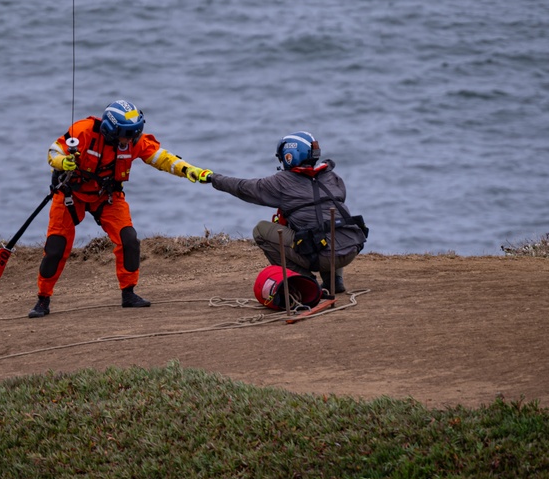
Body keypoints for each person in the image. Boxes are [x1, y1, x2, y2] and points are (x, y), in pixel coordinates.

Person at [28, 99, 213, 318]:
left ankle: (129, 293)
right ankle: (43, 298)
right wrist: (62, 162)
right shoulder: (83, 131)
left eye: (134, 134)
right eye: (126, 134)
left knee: (129, 239)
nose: (129, 140)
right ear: (110, 130)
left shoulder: (134, 141)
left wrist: (189, 170)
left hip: (106, 196)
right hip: (70, 195)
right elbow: (54, 150)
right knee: (56, 247)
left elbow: (163, 158)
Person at [209, 130, 368, 294]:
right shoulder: (332, 176)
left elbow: (243, 188)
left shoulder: (282, 182)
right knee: (325, 221)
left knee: (261, 230)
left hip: (324, 256)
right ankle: (334, 280)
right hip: (351, 247)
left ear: (289, 156)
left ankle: (306, 282)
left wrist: (212, 178)